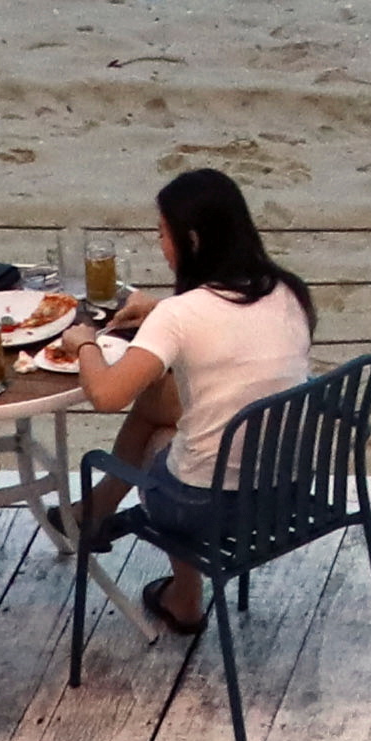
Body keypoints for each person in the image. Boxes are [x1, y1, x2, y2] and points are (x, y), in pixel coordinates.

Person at [69, 164, 327, 635]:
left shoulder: (180, 315)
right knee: (157, 401)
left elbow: (105, 395)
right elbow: (241, 353)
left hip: (207, 507)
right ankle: (94, 513)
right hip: (287, 492)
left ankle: (184, 598)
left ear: (191, 241)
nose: (159, 244)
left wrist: (84, 342)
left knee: (165, 435)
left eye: (162, 234)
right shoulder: (289, 290)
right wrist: (159, 309)